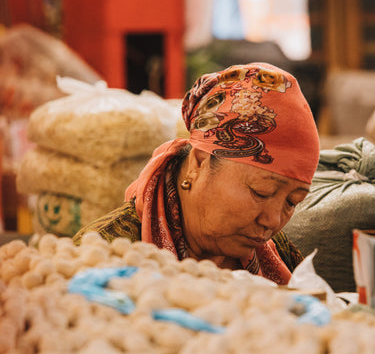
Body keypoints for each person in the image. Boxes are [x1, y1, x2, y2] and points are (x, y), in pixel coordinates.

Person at [73, 62, 320, 285]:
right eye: (261, 192)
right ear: (199, 162)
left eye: (292, 202)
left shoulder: (280, 255)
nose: (273, 221)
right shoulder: (105, 253)